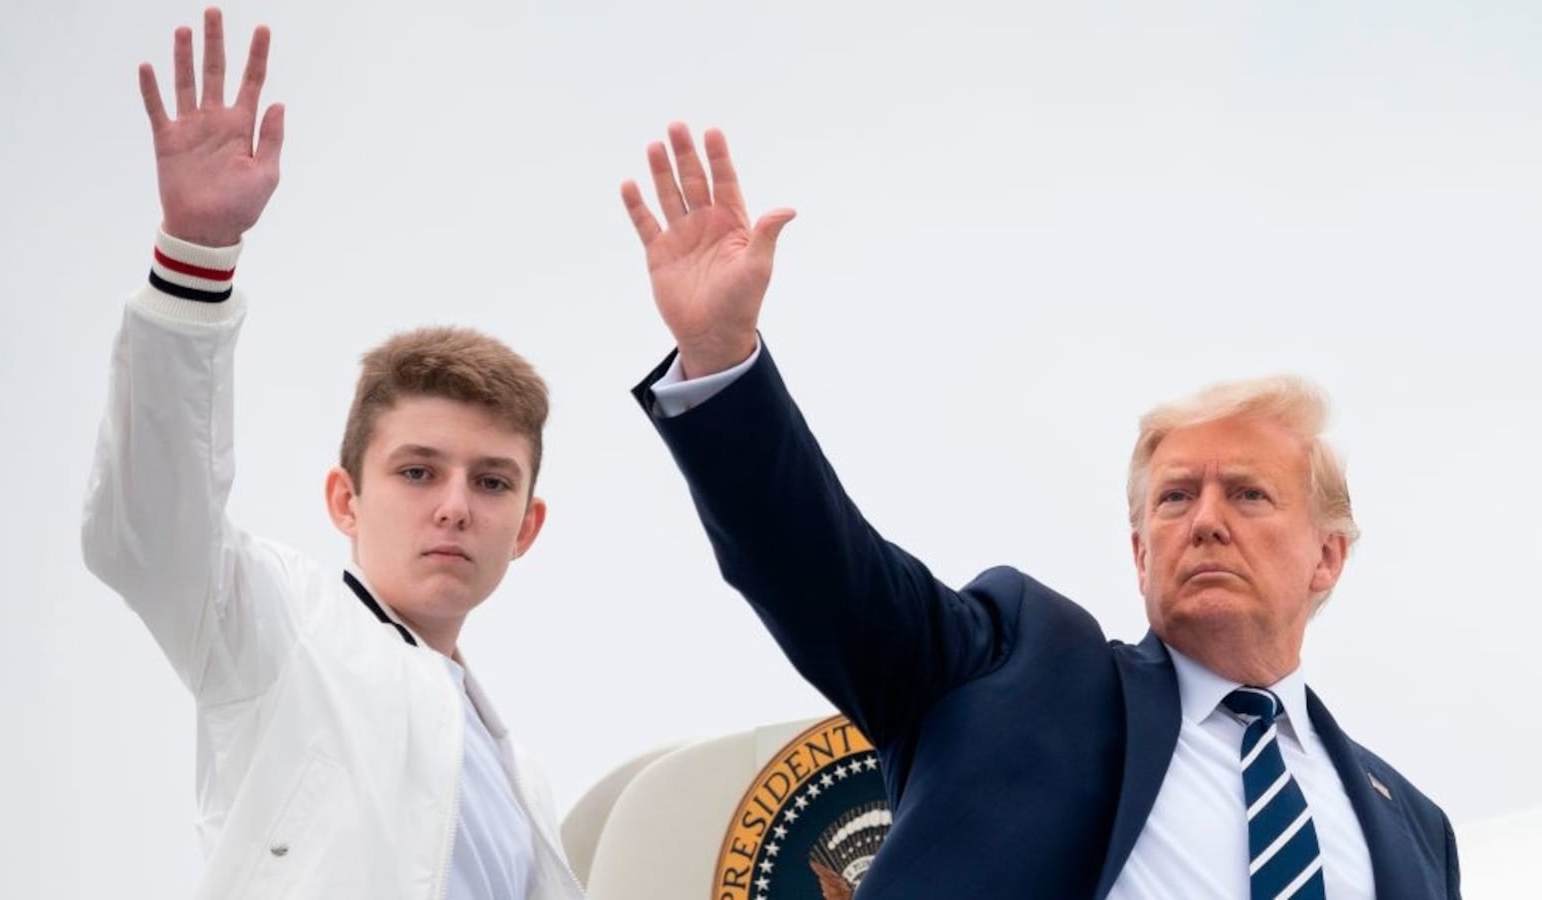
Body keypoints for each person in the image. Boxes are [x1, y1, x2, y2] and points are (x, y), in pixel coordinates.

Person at [621, 123, 1460, 899]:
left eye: (1248, 494)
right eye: (1175, 497)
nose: (1206, 520)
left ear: (1328, 557)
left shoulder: (1418, 832)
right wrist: (722, 359)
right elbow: (824, 574)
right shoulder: (1020, 671)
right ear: (1139, 553)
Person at [81, 10, 584, 898]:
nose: (456, 506)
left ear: (529, 524)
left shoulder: (522, 785)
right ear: (344, 500)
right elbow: (151, 530)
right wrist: (195, 255)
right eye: (418, 471)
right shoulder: (278, 628)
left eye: (492, 481)